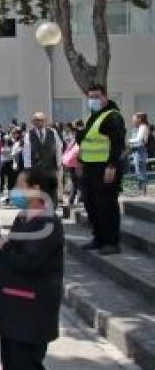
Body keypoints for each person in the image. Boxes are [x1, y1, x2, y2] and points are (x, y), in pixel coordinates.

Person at [0, 168, 63, 370]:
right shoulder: (24, 218)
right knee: (11, 360)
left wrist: (6, 246)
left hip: (33, 307)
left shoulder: (47, 223)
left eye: (19, 186)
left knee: (28, 364)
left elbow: (29, 261)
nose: (15, 190)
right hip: (13, 303)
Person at [76, 85, 126, 255]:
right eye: (90, 97)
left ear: (105, 97)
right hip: (90, 168)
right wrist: (80, 162)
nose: (93, 100)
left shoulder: (113, 116)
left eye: (96, 96)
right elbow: (87, 142)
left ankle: (111, 242)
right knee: (91, 205)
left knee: (107, 206)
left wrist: (112, 166)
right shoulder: (92, 116)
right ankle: (98, 238)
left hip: (105, 168)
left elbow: (118, 143)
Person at [23, 112, 63, 205]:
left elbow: (58, 148)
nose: (39, 122)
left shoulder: (53, 132)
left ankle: (52, 212)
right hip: (36, 169)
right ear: (33, 122)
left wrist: (59, 164)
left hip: (50, 168)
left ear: (45, 121)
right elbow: (27, 152)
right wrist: (28, 169)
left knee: (51, 192)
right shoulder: (29, 134)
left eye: (41, 120)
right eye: (37, 120)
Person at [128, 112, 150, 194]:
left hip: (140, 151)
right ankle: (142, 190)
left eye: (134, 118)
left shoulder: (143, 127)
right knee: (139, 171)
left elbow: (139, 139)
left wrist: (129, 141)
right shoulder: (139, 127)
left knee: (140, 172)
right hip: (136, 151)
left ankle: (143, 191)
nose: (133, 120)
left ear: (139, 119)